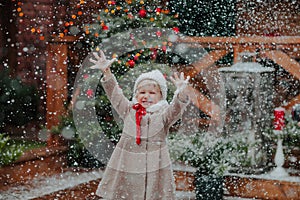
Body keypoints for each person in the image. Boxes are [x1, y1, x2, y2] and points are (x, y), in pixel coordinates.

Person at [89, 50, 190, 200]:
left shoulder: (164, 114)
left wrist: (181, 93)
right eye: (142, 92)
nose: (146, 96)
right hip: (128, 162)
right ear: (136, 95)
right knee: (125, 193)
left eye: (152, 93)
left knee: (153, 194)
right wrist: (107, 72)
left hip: (155, 164)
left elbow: (176, 109)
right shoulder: (129, 109)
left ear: (161, 95)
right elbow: (115, 95)